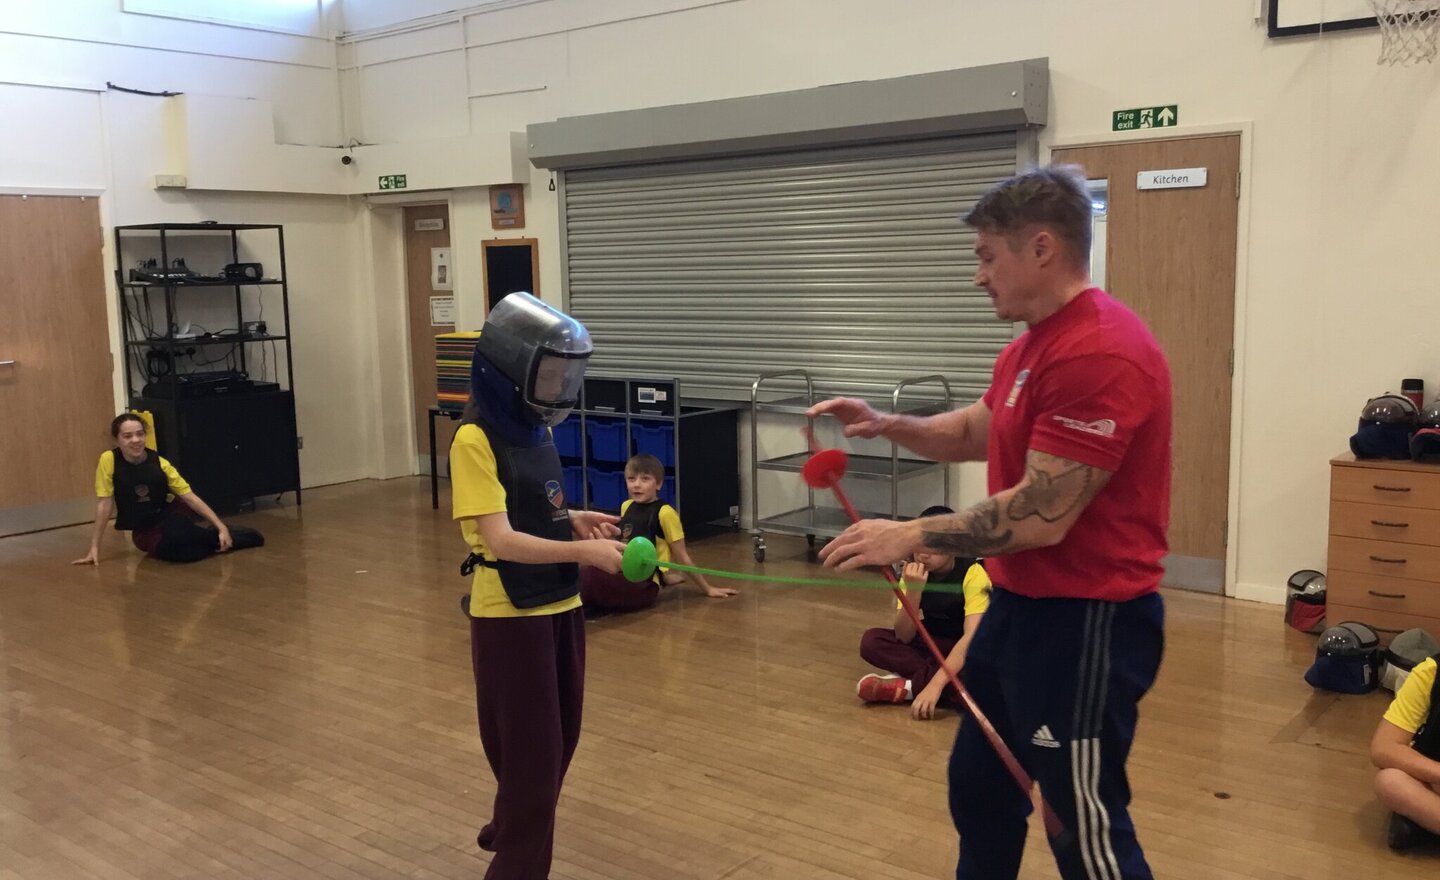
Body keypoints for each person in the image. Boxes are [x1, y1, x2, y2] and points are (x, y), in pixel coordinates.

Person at [812, 164, 1171, 880]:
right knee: (980, 790)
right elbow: (977, 430)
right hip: (1016, 611)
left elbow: (1044, 514)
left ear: (1040, 248)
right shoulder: (1030, 345)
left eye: (986, 255)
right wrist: (888, 424)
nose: (978, 277)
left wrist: (912, 533)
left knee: (1083, 826)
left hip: (1085, 624)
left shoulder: (1099, 350)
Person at [450, 291, 626, 880]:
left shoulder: (536, 431)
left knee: (560, 741)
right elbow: (499, 539)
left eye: (562, 378)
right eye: (546, 376)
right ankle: (516, 858)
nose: (555, 390)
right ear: (507, 372)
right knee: (533, 756)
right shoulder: (473, 440)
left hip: (559, 600)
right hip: (509, 613)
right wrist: (588, 551)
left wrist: (570, 518)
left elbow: (531, 506)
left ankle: (511, 818)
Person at [856, 505, 991, 721]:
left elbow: (971, 639)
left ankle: (908, 688)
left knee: (983, 683)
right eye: (919, 545)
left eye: (933, 546)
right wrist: (914, 591)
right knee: (872, 641)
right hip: (931, 643)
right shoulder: (912, 572)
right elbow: (903, 636)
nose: (923, 555)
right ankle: (943, 685)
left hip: (962, 647)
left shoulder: (973, 572)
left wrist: (936, 686)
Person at [73, 413, 263, 565]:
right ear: (116, 440)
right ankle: (215, 539)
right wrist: (94, 547)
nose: (136, 440)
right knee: (184, 554)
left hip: (172, 516)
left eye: (140, 434)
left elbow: (189, 497)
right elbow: (104, 504)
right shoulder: (108, 460)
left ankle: (224, 535)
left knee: (178, 533)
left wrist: (221, 525)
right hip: (144, 530)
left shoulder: (159, 463)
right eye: (128, 436)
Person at [579, 452, 739, 611]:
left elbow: (681, 556)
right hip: (623, 573)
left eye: (645, 479)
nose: (636, 485)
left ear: (659, 484)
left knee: (589, 577)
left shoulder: (665, 513)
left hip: (643, 586)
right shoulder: (626, 506)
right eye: (631, 479)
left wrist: (708, 589)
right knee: (584, 569)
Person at [1372, 649, 1440, 851]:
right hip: (1434, 778)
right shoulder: (1431, 672)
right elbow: (1383, 747)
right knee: (1391, 782)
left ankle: (1425, 825)